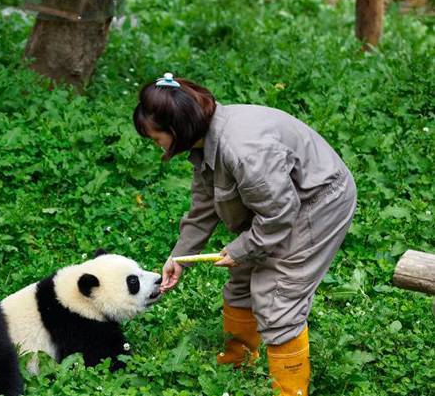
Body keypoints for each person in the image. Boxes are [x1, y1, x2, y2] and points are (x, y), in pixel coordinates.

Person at [133, 73, 356, 396]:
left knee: (277, 294)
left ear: (178, 129)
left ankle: (290, 390)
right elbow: (203, 207)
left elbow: (279, 215)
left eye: (157, 139)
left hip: (317, 202)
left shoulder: (243, 150)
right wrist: (179, 258)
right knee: (241, 282)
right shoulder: (203, 140)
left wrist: (241, 248)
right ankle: (236, 366)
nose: (158, 147)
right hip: (278, 204)